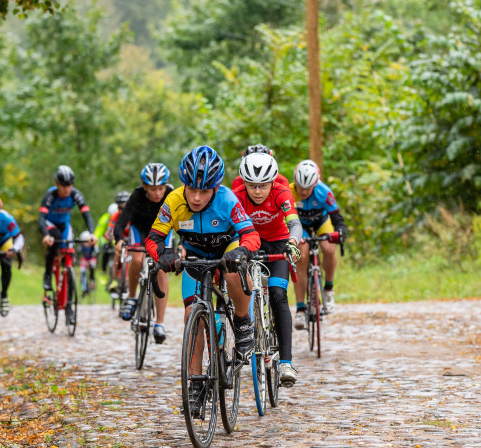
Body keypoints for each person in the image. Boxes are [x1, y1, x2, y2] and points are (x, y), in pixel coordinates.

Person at [147, 146, 261, 403]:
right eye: (192, 189)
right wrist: (163, 254)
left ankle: (244, 324)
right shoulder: (173, 201)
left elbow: (251, 234)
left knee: (233, 273)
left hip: (227, 251)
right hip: (195, 256)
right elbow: (154, 238)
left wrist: (242, 250)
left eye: (205, 191)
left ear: (216, 188)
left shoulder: (228, 199)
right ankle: (196, 382)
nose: (197, 197)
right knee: (192, 314)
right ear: (183, 185)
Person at [232, 152, 302, 386]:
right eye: (252, 185)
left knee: (278, 294)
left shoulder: (282, 192)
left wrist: (293, 242)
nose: (258, 191)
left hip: (278, 244)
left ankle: (286, 363)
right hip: (248, 244)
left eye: (263, 185)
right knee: (241, 290)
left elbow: (294, 223)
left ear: (272, 182)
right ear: (244, 183)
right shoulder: (237, 195)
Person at [114, 163, 173, 344]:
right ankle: (132, 297)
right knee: (137, 257)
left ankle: (160, 324)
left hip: (162, 232)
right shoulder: (137, 195)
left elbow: (184, 218)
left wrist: (184, 244)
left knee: (161, 268)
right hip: (139, 230)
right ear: (145, 187)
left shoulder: (172, 194)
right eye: (153, 189)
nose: (157, 193)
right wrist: (118, 239)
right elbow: (123, 219)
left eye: (160, 189)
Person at [290, 160, 348, 329]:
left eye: (307, 189)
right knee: (301, 255)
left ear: (315, 184)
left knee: (329, 248)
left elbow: (337, 219)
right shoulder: (289, 192)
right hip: (301, 225)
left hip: (321, 222)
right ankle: (300, 309)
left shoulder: (325, 192)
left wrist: (340, 232)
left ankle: (328, 289)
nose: (302, 191)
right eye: (300, 187)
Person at [39, 165, 97, 325]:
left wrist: (92, 233)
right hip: (50, 225)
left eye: (69, 185)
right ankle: (47, 275)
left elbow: (87, 215)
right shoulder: (50, 195)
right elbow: (41, 218)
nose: (66, 189)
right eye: (63, 186)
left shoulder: (76, 195)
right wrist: (45, 235)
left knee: (69, 255)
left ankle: (69, 308)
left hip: (65, 226)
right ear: (56, 184)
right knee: (54, 239)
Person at [106, 190, 131, 293]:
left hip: (131, 237)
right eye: (120, 208)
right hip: (120, 238)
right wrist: (111, 238)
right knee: (117, 254)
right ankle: (115, 280)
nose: (122, 211)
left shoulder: (133, 215)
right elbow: (108, 231)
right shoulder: (115, 216)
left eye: (125, 208)